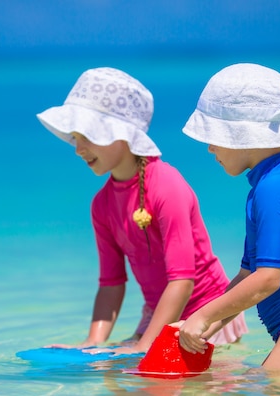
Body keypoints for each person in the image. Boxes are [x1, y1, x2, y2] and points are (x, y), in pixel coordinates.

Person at [37, 67, 248, 354]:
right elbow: (111, 283)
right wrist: (92, 343)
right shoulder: (102, 205)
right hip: (158, 312)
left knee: (190, 395)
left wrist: (145, 346)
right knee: (117, 380)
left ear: (122, 134)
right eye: (75, 137)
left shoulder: (166, 186)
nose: (78, 149)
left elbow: (183, 280)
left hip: (206, 313)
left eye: (88, 135)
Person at [176, 63, 280, 373]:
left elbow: (267, 279)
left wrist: (201, 317)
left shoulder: (272, 189)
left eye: (215, 135)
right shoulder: (279, 180)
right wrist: (204, 324)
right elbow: (246, 277)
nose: (210, 147)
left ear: (244, 134)